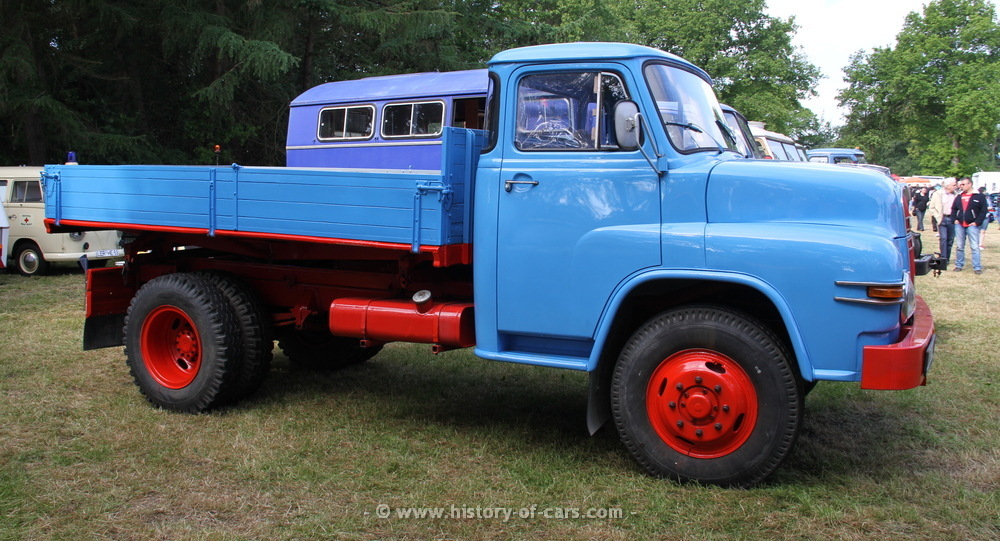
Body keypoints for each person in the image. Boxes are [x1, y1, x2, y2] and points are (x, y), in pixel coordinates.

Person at [951, 178, 988, 274]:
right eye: (961, 184)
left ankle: (977, 267)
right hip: (960, 224)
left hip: (972, 225)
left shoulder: (979, 196)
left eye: (963, 184)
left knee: (975, 247)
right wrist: (954, 219)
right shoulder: (959, 196)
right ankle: (959, 265)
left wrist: (977, 222)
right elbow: (954, 209)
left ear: (970, 184)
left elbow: (983, 211)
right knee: (959, 246)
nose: (961, 186)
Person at [928, 179, 958, 260]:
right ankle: (943, 258)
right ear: (947, 186)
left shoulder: (956, 195)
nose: (955, 186)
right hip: (942, 218)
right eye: (953, 185)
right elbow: (932, 207)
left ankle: (947, 258)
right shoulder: (938, 194)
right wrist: (938, 217)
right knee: (943, 238)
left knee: (950, 239)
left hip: (952, 218)